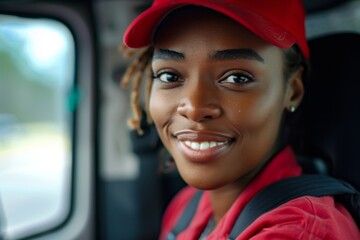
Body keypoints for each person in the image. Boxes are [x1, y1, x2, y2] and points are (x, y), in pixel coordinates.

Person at [121, 0, 360, 239]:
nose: (194, 109)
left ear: (293, 90)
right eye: (169, 75)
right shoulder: (186, 205)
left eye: (237, 78)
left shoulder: (299, 231)